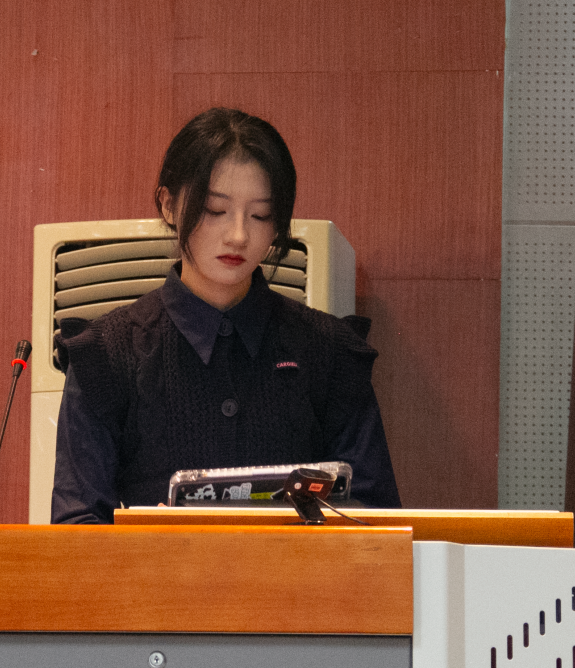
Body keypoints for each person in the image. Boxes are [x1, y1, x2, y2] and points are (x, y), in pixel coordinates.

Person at [51, 107, 400, 524]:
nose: (238, 235)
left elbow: (376, 521)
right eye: (215, 210)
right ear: (168, 204)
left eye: (260, 215)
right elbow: (77, 527)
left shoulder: (330, 352)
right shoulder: (106, 355)